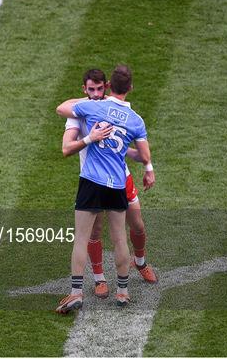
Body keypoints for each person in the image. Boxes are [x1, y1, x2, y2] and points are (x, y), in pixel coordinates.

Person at [55, 65, 155, 313]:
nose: (96, 92)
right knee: (120, 238)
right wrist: (148, 166)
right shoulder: (135, 119)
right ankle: (122, 292)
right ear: (130, 87)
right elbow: (142, 154)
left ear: (108, 86)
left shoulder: (94, 106)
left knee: (81, 237)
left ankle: (76, 293)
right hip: (117, 182)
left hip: (91, 180)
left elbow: (61, 109)